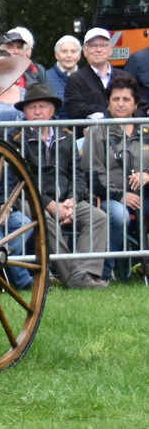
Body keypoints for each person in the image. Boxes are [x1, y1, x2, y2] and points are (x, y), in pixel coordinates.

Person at [18, 84, 110, 288]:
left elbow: (78, 174)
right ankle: (72, 277)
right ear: (24, 112)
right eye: (32, 107)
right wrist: (50, 204)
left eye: (43, 106)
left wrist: (71, 201)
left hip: (66, 200)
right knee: (45, 220)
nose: (38, 112)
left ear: (52, 111)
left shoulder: (66, 135)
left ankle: (84, 271)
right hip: (31, 200)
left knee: (98, 217)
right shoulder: (17, 137)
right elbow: (22, 179)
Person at [83, 75, 149, 281]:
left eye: (126, 99)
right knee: (119, 215)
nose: (120, 104)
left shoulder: (146, 129)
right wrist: (120, 195)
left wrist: (147, 174)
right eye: (116, 99)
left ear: (136, 104)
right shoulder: (98, 130)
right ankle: (105, 271)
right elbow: (91, 172)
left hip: (145, 196)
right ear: (108, 102)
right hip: (109, 196)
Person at [60, 28, 118, 121]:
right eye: (93, 46)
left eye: (103, 45)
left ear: (110, 50)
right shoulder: (75, 80)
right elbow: (74, 110)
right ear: (85, 51)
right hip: (89, 135)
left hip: (122, 134)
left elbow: (138, 106)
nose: (98, 50)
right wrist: (108, 112)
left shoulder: (125, 77)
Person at [0, 26, 45, 108]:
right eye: (10, 47)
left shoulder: (34, 73)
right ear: (0, 50)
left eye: (19, 47)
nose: (15, 51)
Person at [47, 35, 82, 102]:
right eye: (64, 51)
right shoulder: (45, 78)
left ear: (79, 56)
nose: (69, 55)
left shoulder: (86, 77)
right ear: (57, 55)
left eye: (73, 51)